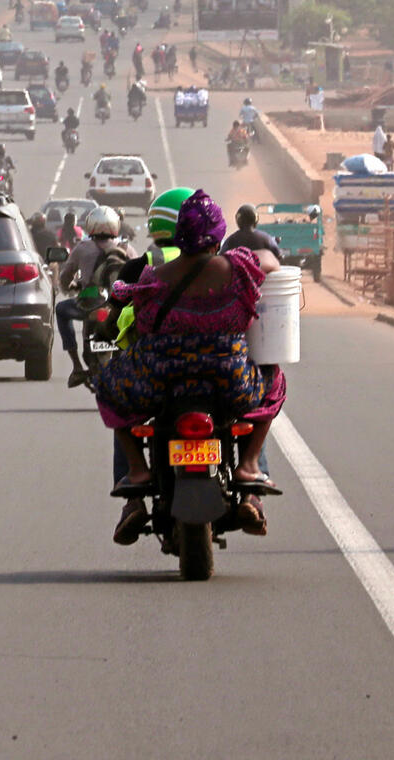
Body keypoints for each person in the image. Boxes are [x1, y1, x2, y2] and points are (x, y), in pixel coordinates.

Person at [96, 190, 286, 544]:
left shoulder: (154, 276)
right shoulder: (239, 267)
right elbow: (270, 263)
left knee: (108, 387)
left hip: (162, 378)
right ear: (217, 235)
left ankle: (137, 473)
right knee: (273, 381)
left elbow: (121, 297)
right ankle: (248, 466)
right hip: (228, 378)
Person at [54, 206, 125, 387]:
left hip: (90, 301)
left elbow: (66, 276)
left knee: (61, 310)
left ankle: (77, 366)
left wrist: (66, 286)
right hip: (118, 305)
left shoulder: (82, 248)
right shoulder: (125, 248)